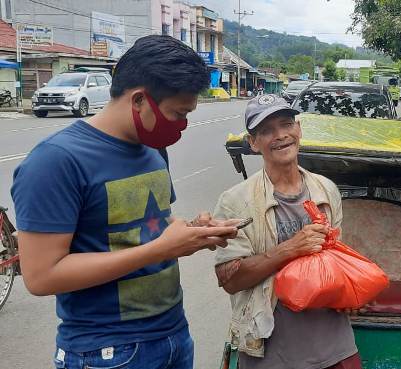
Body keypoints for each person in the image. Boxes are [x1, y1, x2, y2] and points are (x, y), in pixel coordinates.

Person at [11, 35, 240, 369]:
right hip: (107, 351)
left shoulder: (152, 148)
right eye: (177, 114)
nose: (182, 126)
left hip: (172, 334)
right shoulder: (56, 162)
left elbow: (157, 226)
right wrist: (162, 249)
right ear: (138, 101)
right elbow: (41, 276)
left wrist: (193, 232)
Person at [213, 94, 362, 369]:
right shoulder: (235, 202)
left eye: (286, 124)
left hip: (335, 344)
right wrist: (291, 248)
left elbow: (336, 256)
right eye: (267, 130)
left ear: (299, 129)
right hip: (271, 350)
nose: (280, 135)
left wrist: (349, 289)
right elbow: (230, 280)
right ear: (253, 143)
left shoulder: (326, 190)